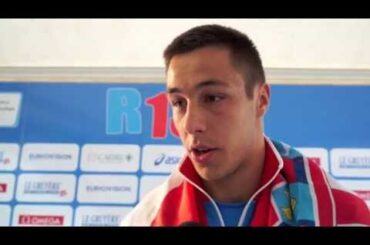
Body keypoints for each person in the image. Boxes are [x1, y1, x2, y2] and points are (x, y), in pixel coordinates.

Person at [121, 24, 370, 226]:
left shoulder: (340, 214)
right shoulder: (147, 219)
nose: (190, 124)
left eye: (213, 98)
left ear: (260, 101)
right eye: (178, 103)